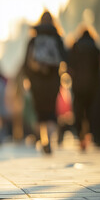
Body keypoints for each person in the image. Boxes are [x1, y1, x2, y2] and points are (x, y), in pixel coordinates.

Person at [23, 11, 66, 154]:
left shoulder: (34, 38)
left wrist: (29, 78)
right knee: (51, 111)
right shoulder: (57, 37)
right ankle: (51, 141)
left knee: (41, 113)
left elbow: (25, 63)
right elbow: (64, 58)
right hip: (53, 79)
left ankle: (45, 140)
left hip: (37, 81)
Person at [67, 28, 100, 151]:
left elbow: (69, 65)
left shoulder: (75, 47)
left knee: (79, 111)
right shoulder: (95, 47)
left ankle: (81, 136)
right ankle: (88, 136)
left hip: (77, 85)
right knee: (90, 111)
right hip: (92, 86)